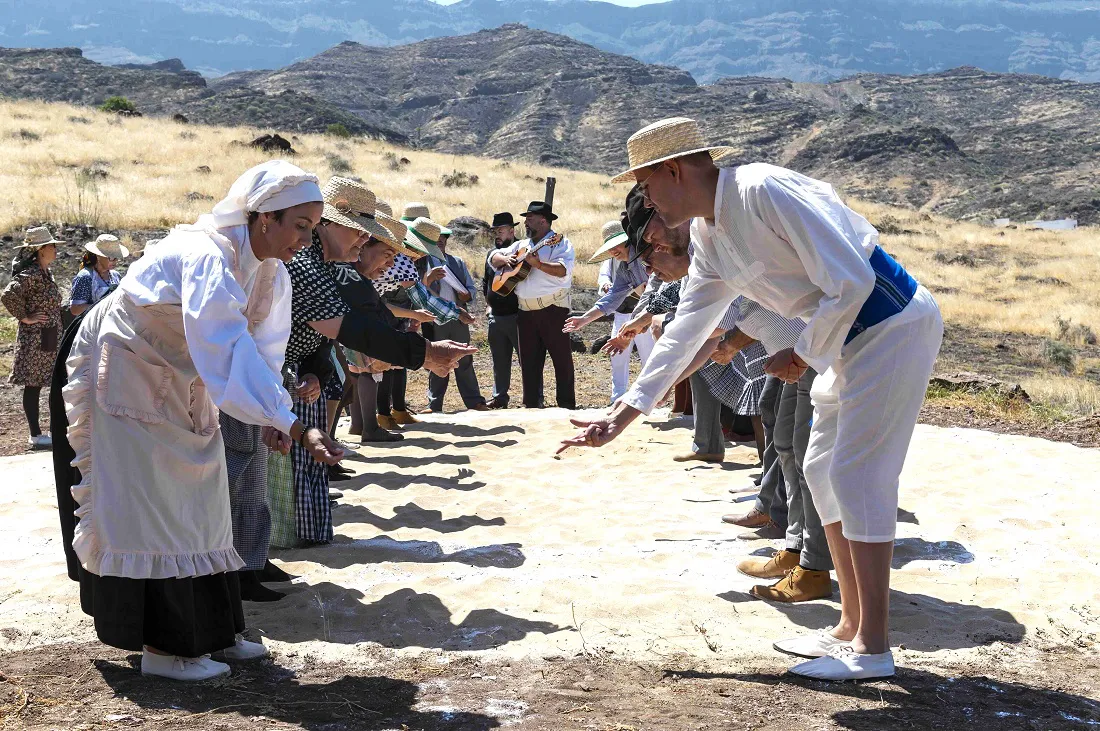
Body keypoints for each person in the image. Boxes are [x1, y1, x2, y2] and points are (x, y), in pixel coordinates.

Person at [561, 117, 943, 681]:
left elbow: (852, 279)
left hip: (891, 327)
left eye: (644, 185)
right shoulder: (712, 236)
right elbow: (688, 330)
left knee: (860, 476)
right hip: (844, 344)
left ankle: (874, 649)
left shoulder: (760, 189)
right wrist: (623, 413)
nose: (646, 201)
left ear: (673, 169)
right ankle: (849, 626)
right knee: (819, 469)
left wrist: (803, 355)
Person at [52, 161, 345, 681]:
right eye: (299, 225)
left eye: (312, 227)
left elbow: (262, 349)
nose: (306, 238)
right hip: (124, 371)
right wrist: (295, 423)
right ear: (261, 218)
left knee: (205, 501)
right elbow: (225, 345)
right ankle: (166, 649)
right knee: (153, 506)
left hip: (182, 380)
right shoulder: (205, 254)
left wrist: (272, 417)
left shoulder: (269, 274)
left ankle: (215, 633)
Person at [280, 178, 475, 545]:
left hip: (297, 376)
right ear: (329, 224)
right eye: (359, 234)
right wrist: (427, 355)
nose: (361, 242)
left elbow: (341, 327)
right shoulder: (307, 265)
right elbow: (349, 328)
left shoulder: (323, 264)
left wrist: (316, 369)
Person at [335, 200, 424, 443]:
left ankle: (357, 426)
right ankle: (367, 427)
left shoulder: (351, 275)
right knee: (358, 373)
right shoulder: (341, 274)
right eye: (388, 255)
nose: (391, 264)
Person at [488, 201, 576, 409]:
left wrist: (538, 264)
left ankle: (566, 405)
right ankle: (532, 405)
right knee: (528, 362)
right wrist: (505, 257)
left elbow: (563, 271)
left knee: (561, 360)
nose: (526, 223)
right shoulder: (521, 246)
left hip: (553, 308)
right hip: (525, 311)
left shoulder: (560, 244)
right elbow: (492, 257)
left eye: (529, 219)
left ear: (543, 221)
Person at [564, 220, 653, 403]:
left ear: (627, 241)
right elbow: (611, 299)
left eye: (615, 246)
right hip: (640, 315)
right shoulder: (624, 269)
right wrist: (584, 320)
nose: (612, 252)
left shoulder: (647, 256)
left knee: (656, 357)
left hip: (664, 312)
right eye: (609, 248)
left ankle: (655, 398)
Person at [412, 218, 488, 412]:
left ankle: (474, 401)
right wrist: (428, 279)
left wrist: (466, 295)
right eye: (436, 238)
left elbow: (471, 291)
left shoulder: (457, 262)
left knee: (464, 357)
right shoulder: (421, 262)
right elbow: (416, 291)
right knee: (436, 357)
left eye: (443, 238)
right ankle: (434, 403)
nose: (440, 241)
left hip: (458, 316)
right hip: (433, 318)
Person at [2, 227, 63, 450]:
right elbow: (8, 294)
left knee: (43, 382)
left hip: (46, 336)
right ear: (41, 250)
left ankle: (45, 432)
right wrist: (25, 317)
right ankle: (36, 435)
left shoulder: (45, 273)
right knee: (33, 384)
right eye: (52, 246)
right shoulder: (33, 274)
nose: (55, 249)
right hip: (35, 339)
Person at [483, 212, 521, 409]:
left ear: (512, 231)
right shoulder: (492, 254)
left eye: (500, 230)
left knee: (527, 359)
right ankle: (499, 397)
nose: (497, 234)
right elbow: (485, 282)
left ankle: (533, 395)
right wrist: (489, 306)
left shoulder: (523, 250)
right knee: (499, 360)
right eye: (495, 231)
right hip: (496, 316)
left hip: (518, 315)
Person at [68, 234, 128, 318]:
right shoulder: (85, 277)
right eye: (111, 258)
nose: (115, 261)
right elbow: (75, 309)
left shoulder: (115, 275)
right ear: (98, 256)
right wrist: (103, 306)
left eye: (116, 257)